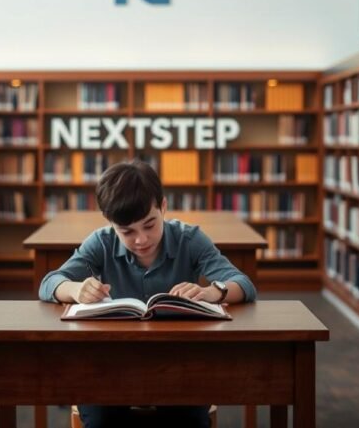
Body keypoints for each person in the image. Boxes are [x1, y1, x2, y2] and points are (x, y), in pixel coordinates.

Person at [39, 159, 257, 428]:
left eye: (150, 224)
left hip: (178, 361)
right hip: (109, 363)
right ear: (111, 223)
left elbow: (243, 283)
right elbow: (49, 283)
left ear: (163, 207)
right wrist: (74, 289)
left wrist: (213, 292)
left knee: (185, 420)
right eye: (127, 232)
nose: (141, 239)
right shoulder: (102, 242)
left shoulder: (189, 239)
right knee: (103, 420)